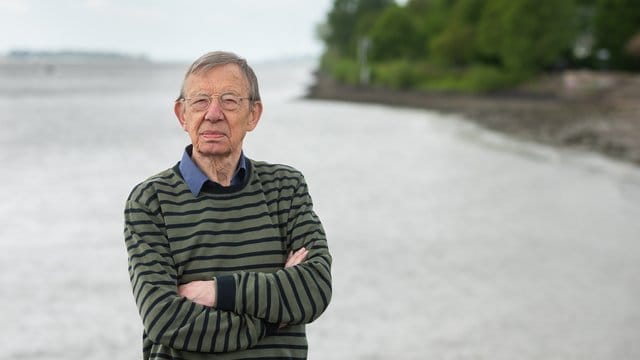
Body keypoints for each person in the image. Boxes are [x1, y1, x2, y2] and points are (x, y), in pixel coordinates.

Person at [124, 51, 332, 359]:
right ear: (182, 115)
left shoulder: (286, 188)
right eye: (200, 101)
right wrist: (274, 320)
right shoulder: (151, 201)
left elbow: (314, 288)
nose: (213, 113)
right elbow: (165, 320)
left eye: (230, 100)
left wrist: (218, 292)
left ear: (253, 114)